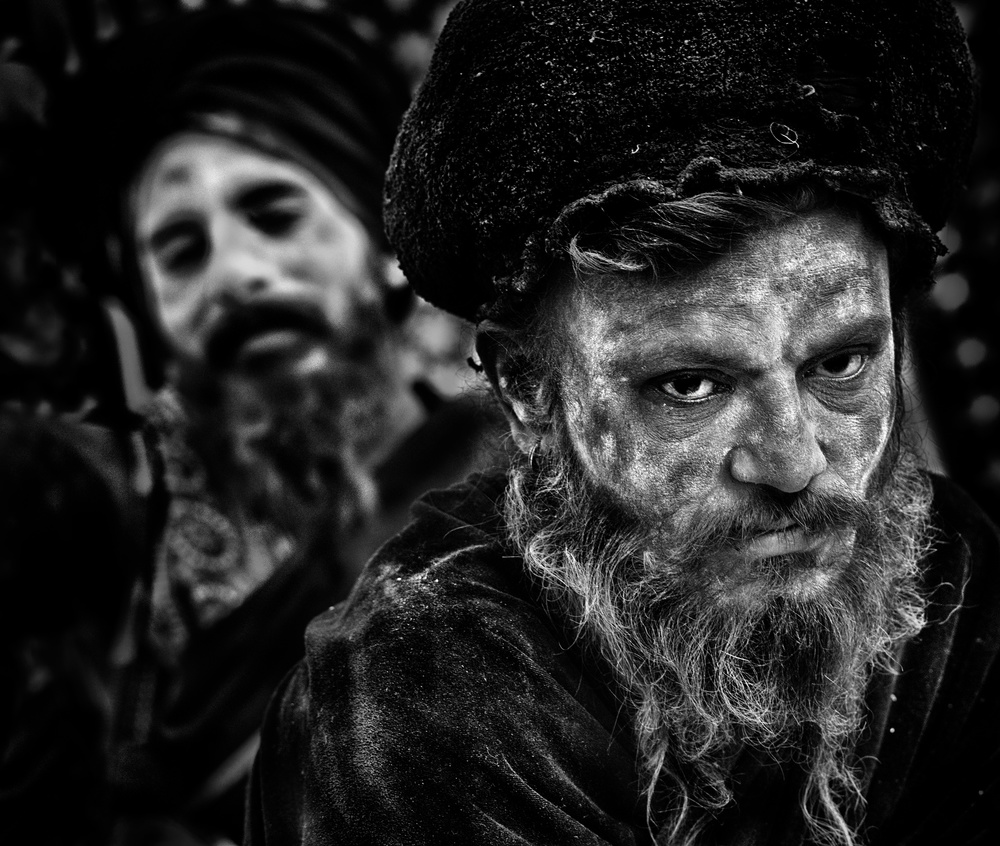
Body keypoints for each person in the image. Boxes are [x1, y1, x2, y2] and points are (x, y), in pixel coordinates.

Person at [246, 1, 1000, 845]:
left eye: (840, 365)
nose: (793, 461)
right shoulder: (416, 700)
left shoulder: (959, 586)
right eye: (689, 385)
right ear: (528, 389)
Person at [33, 3, 499, 843]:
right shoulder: (112, 536)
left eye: (275, 215)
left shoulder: (522, 469)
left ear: (380, 242)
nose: (236, 274)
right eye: (180, 249)